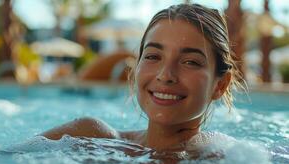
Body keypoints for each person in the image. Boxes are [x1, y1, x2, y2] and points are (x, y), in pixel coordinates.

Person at [42, 3, 244, 153]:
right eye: (153, 56)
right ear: (136, 68)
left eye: (190, 62)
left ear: (220, 85)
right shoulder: (86, 136)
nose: (165, 75)